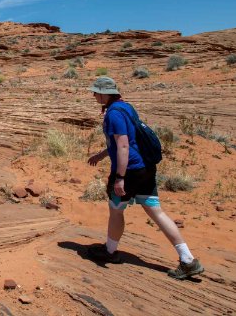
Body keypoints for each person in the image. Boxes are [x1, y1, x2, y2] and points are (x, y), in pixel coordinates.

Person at [86, 76, 204, 280]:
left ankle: (110, 251)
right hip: (145, 168)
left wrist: (120, 178)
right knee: (156, 212)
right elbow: (127, 141)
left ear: (106, 93)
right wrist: (101, 155)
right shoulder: (126, 107)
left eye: (96, 92)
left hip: (129, 170)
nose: (93, 95)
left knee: (116, 210)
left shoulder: (113, 114)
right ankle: (187, 260)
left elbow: (123, 146)